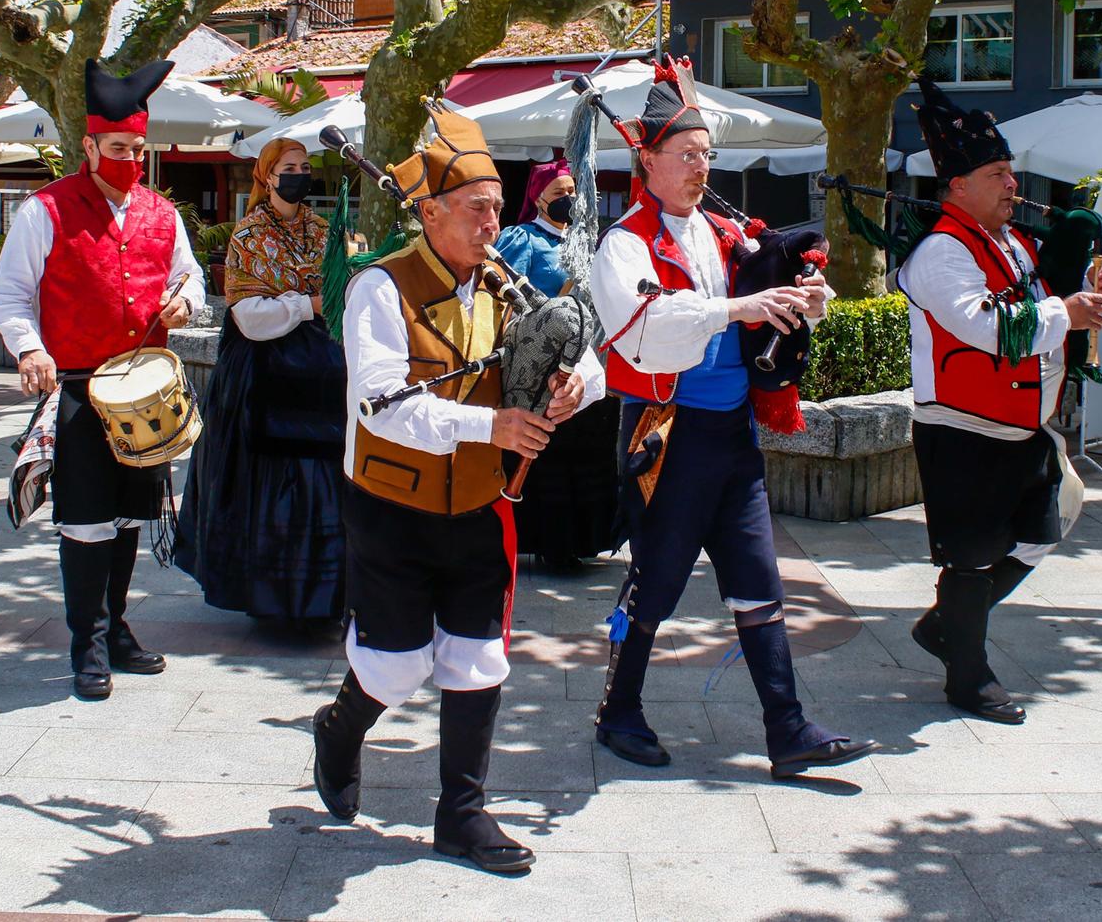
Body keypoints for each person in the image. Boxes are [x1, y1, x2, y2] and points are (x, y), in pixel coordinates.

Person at [310, 107, 603, 875]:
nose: (493, 221)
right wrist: (491, 427)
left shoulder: (504, 284)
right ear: (430, 212)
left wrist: (577, 385)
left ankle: (462, 814)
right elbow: (382, 402)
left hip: (475, 503)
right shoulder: (381, 288)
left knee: (478, 657)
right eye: (478, 208)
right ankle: (340, 729)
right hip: (391, 506)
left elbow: (581, 341)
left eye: (499, 207)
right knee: (398, 666)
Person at [587, 59, 877, 779]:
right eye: (685, 155)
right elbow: (643, 324)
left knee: (759, 579)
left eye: (705, 156)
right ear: (645, 158)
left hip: (732, 436)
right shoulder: (622, 244)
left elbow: (780, 285)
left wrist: (807, 297)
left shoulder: (726, 233)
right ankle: (618, 709)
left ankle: (789, 729)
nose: (698, 167)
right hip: (667, 432)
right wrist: (736, 307)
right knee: (654, 580)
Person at [897, 80, 1102, 725]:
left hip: (1024, 424)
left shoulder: (1011, 243)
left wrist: (1094, 282)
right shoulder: (943, 250)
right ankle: (968, 675)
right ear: (958, 184)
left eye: (1011, 171)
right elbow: (983, 325)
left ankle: (948, 626)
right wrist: (1066, 311)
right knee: (970, 554)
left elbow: (1047, 298)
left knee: (1046, 528)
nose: (1012, 184)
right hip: (963, 428)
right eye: (997, 173)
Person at [0, 58, 204, 700]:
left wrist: (184, 303)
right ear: (88, 146)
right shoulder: (44, 211)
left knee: (131, 518)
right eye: (117, 149)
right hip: (81, 392)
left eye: (139, 150)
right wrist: (29, 350)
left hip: (145, 390)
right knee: (85, 520)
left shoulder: (163, 214)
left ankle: (116, 631)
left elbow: (190, 278)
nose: (129, 160)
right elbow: (9, 297)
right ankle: (86, 639)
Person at [175, 137, 347, 623]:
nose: (299, 174)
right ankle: (269, 594)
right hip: (260, 373)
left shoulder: (323, 230)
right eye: (289, 167)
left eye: (305, 166)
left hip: (321, 373)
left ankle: (324, 593)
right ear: (267, 176)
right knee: (268, 476)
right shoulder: (249, 235)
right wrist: (308, 304)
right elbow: (250, 317)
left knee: (324, 472)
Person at [492, 159, 620, 571]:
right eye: (559, 194)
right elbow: (504, 298)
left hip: (586, 361)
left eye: (572, 194)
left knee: (582, 452)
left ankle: (580, 541)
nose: (567, 201)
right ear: (538, 199)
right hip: (541, 363)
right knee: (547, 454)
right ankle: (547, 542)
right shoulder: (522, 238)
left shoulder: (586, 243)